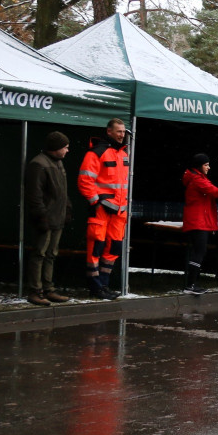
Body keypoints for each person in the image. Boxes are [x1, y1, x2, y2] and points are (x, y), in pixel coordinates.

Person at [78, 118, 129, 300]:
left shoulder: (123, 153)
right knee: (96, 247)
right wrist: (95, 202)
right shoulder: (96, 152)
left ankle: (104, 284)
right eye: (119, 131)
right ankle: (95, 286)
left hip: (119, 210)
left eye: (123, 131)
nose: (122, 135)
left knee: (114, 248)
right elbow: (85, 180)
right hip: (102, 209)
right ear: (109, 131)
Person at [25, 131, 73, 306]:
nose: (67, 150)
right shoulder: (39, 164)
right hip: (46, 217)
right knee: (40, 253)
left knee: (51, 254)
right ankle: (35, 291)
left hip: (57, 217)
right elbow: (35, 195)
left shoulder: (57, 163)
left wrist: (67, 208)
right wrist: (41, 216)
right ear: (56, 147)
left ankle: (48, 289)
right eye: (65, 147)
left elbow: (62, 191)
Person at [182, 154, 218, 294]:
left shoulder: (198, 177)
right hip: (198, 221)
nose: (209, 167)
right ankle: (190, 285)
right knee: (199, 252)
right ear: (199, 166)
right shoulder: (197, 179)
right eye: (206, 165)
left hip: (198, 220)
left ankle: (192, 283)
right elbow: (217, 192)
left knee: (199, 251)